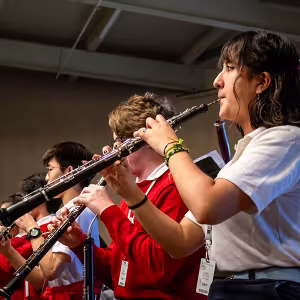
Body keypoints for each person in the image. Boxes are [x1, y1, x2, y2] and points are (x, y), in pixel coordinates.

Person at [106, 31, 299, 299]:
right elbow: (180, 242)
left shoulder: (285, 139)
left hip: (270, 289)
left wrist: (171, 146)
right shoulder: (240, 160)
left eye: (230, 68)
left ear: (261, 82)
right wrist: (129, 192)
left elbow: (206, 206)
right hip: (236, 287)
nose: (217, 81)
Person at [50, 93, 206, 299]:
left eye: (120, 141)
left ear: (147, 140)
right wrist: (78, 245)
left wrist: (108, 211)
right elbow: (118, 274)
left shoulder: (176, 185)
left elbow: (158, 270)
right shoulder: (135, 191)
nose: (114, 150)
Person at [38, 141, 100, 300]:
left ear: (69, 171)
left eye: (50, 169)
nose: (46, 177)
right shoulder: (71, 208)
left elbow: (51, 270)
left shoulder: (78, 209)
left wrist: (32, 230)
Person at [0, 173, 59, 299]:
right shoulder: (33, 227)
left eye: (27, 198)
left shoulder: (49, 226)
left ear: (40, 200)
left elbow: (6, 267)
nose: (24, 203)